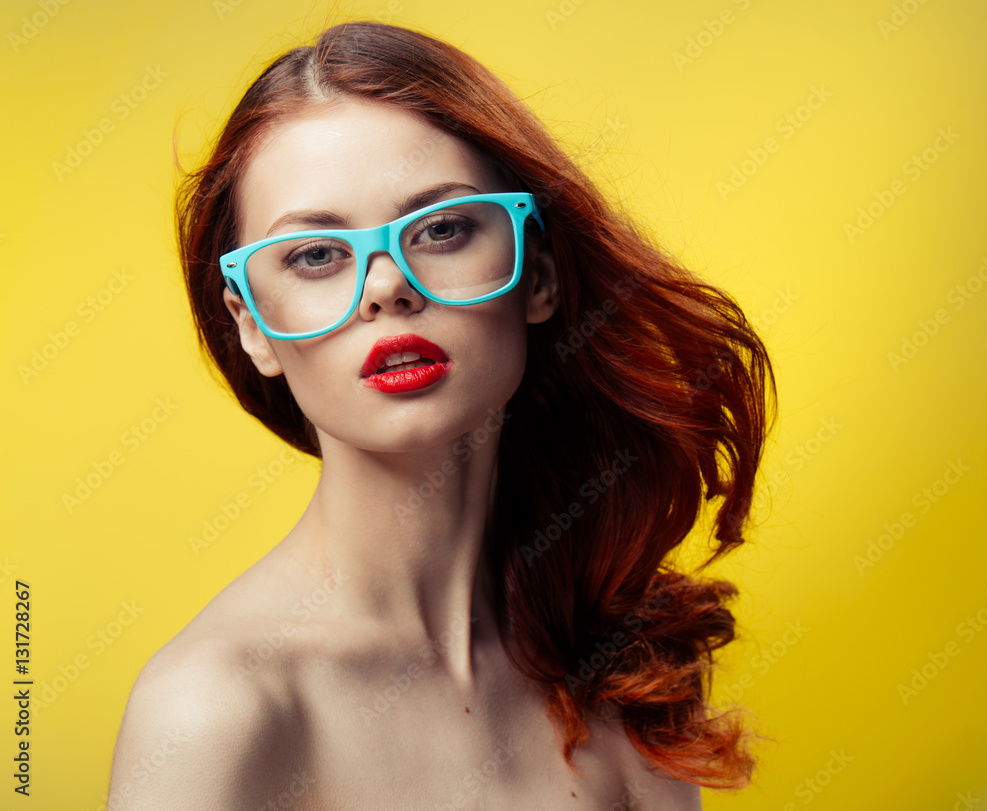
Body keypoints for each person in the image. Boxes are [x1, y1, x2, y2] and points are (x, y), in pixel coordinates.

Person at [108, 20, 774, 810]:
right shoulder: (214, 713)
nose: (388, 285)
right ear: (251, 323)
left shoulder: (622, 671)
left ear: (538, 274)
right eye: (316, 254)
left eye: (444, 228)